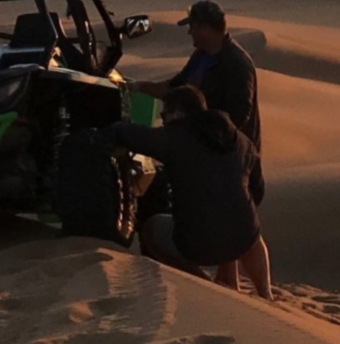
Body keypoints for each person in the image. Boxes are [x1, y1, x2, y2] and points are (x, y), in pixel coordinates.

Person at [113, 85, 270, 296]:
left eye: (164, 114)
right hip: (242, 237)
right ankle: (264, 292)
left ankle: (205, 285)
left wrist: (114, 128)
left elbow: (137, 136)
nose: (163, 120)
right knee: (247, 229)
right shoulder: (242, 141)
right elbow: (257, 190)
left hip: (196, 242)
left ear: (178, 113)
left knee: (151, 228)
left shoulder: (176, 136)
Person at [171, 0, 263, 204]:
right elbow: (176, 88)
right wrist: (137, 86)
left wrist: (206, 137)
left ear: (205, 28)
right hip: (204, 161)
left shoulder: (237, 65)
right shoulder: (202, 56)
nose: (190, 33)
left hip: (231, 169)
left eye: (192, 27)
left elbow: (238, 118)